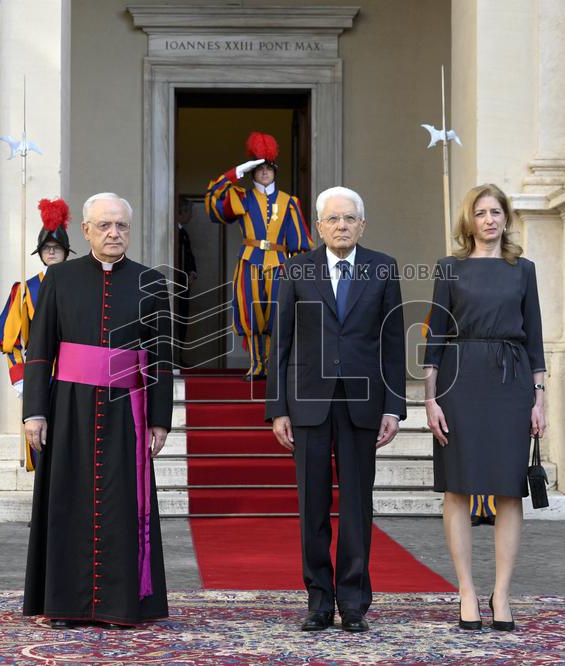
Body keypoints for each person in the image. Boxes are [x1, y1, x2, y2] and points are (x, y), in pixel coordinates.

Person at [22, 193, 173, 629]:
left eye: (122, 226)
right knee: (67, 501)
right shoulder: (60, 277)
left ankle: (119, 604)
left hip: (128, 410)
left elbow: (161, 355)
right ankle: (66, 605)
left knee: (123, 505)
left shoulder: (150, 281)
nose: (114, 233)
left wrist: (160, 420)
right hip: (68, 407)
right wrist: (35, 411)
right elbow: (39, 349)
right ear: (85, 230)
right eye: (105, 225)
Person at [265, 186, 406, 633]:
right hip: (308, 402)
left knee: (357, 507)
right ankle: (319, 600)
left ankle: (353, 602)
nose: (341, 226)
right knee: (312, 507)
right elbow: (281, 343)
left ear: (362, 225)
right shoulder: (296, 269)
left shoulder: (383, 267)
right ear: (319, 227)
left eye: (349, 219)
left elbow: (392, 342)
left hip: (363, 404)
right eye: (333, 219)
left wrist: (394, 408)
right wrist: (277, 408)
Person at [422, 183, 547, 632]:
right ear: (469, 220)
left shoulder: (523, 270)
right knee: (457, 486)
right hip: (460, 380)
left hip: (511, 381)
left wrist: (539, 397)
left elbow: (534, 335)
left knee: (509, 489)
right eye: (481, 212)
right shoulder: (449, 268)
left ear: (506, 218)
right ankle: (467, 591)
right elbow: (435, 333)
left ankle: (502, 593)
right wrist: (430, 397)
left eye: (496, 212)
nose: (489, 219)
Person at [206, 131, 313, 379]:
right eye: (259, 168)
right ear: (253, 171)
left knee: (280, 313)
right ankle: (256, 364)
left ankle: (275, 365)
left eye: (268, 167)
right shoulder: (242, 197)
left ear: (275, 171)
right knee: (251, 313)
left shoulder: (289, 201)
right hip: (250, 262)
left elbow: (299, 243)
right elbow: (213, 200)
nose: (264, 172)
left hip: (281, 264)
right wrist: (237, 171)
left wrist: (300, 274)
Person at [0, 197, 74, 470]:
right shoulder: (25, 290)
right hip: (41, 375)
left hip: (76, 375)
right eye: (46, 248)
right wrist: (21, 379)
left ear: (65, 251)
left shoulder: (80, 286)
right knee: (41, 441)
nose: (51, 253)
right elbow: (10, 341)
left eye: (56, 248)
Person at [173, 199, 198, 366]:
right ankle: (175, 357)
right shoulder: (176, 233)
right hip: (177, 285)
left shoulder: (183, 232)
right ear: (181, 212)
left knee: (183, 319)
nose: (191, 216)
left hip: (184, 285)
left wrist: (192, 271)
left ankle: (179, 354)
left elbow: (188, 256)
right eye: (189, 212)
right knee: (177, 318)